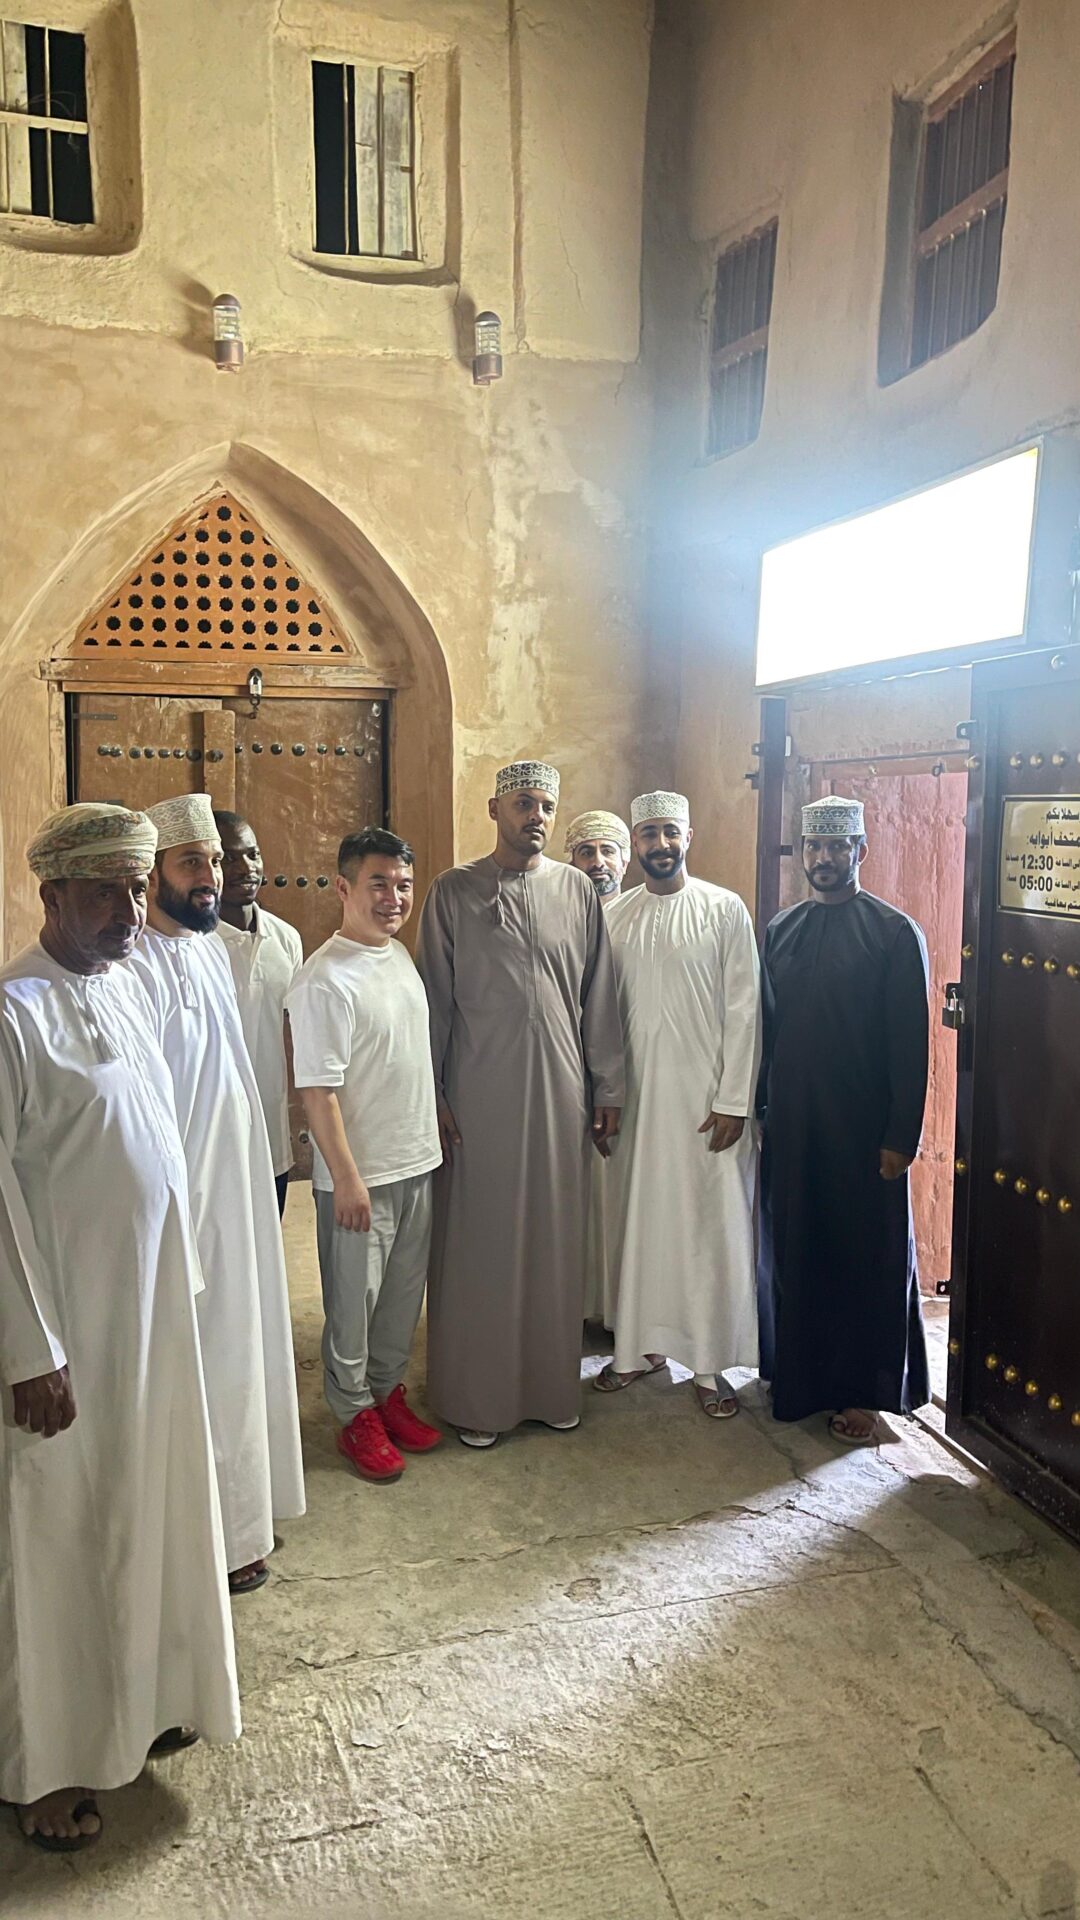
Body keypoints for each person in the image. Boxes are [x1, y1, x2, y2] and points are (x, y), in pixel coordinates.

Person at [0, 804, 239, 1851]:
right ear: (51, 894)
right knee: (58, 1537)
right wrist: (28, 1350)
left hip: (150, 1320)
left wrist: (184, 1280)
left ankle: (142, 1705)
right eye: (104, 892)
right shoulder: (13, 1014)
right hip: (66, 1340)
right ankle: (45, 1764)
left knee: (148, 1515)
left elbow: (159, 1150)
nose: (129, 912)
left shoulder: (124, 988)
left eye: (137, 891)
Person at [416, 761, 624, 1448]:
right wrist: (433, 1094)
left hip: (562, 1093)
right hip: (477, 1093)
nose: (536, 816)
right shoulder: (452, 891)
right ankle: (477, 1399)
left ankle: (548, 1390)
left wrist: (607, 1087)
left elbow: (599, 998)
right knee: (480, 1242)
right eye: (524, 803)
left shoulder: (577, 890)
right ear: (495, 809)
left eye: (546, 806)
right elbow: (434, 1002)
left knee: (554, 1241)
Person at [127, 793, 305, 1592]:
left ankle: (244, 1519)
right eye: (192, 862)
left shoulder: (205, 950)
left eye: (216, 861)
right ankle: (210, 1538)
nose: (212, 876)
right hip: (187, 1209)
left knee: (243, 1356)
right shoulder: (132, 966)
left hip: (239, 1193)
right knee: (202, 1365)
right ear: (153, 874)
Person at [758, 796, 931, 1445]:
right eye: (815, 846)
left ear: (861, 850)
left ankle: (864, 1391)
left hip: (863, 1137)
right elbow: (766, 1032)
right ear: (803, 852)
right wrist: (762, 1110)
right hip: (794, 1129)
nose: (825, 857)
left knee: (863, 1259)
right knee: (795, 1251)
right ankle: (798, 1378)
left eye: (838, 846)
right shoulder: (782, 928)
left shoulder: (893, 933)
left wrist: (900, 1138)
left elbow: (910, 1045)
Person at [595, 792, 760, 1418]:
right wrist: (604, 1094)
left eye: (670, 832)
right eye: (648, 834)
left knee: (703, 1230)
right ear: (635, 844)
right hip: (634, 1104)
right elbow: (598, 1014)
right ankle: (637, 1350)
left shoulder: (724, 909)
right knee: (637, 1225)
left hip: (705, 1105)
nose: (659, 845)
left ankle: (709, 1364)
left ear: (688, 836)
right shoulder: (614, 915)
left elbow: (745, 1009)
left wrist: (734, 1100)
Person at [288, 828, 443, 1485]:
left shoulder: (398, 956)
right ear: (344, 887)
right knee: (353, 1306)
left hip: (416, 1162)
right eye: (378, 883)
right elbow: (317, 1093)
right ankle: (353, 1412)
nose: (393, 897)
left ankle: (386, 1392)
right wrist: (345, 1180)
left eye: (403, 885)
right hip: (360, 1178)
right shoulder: (323, 979)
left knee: (402, 1298)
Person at [213, 809, 303, 1218]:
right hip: (214, 1138)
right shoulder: (194, 946)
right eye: (229, 858)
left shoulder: (285, 939)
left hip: (270, 1134)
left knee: (269, 1245)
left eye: (252, 854)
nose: (245, 867)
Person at [564, 808, 632, 1330]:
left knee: (621, 1197)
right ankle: (579, 1307)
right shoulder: (561, 913)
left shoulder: (641, 915)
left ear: (626, 860)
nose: (597, 862)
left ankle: (620, 1312)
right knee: (577, 1198)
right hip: (568, 1075)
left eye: (608, 851)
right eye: (586, 851)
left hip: (631, 1080)